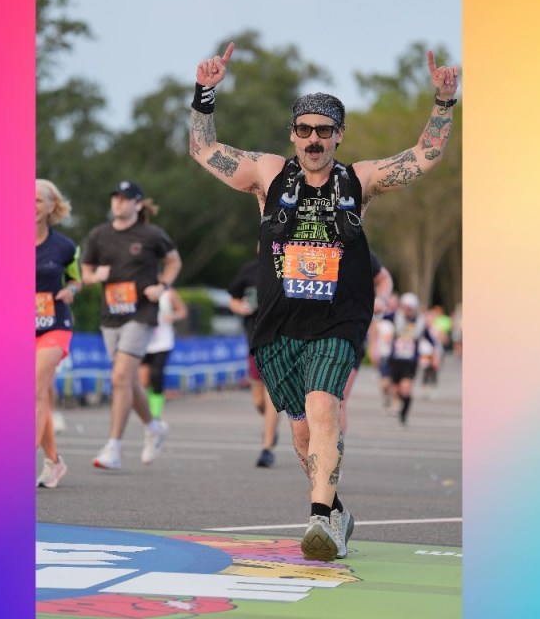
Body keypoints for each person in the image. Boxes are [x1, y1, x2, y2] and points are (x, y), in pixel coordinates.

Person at [188, 42, 458, 561]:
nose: (314, 140)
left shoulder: (359, 179)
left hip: (339, 319)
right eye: (306, 130)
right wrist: (205, 93)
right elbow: (204, 150)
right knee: (301, 433)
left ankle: (318, 522)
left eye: (325, 131)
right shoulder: (267, 174)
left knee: (323, 408)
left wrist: (443, 103)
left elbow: (424, 157)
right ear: (293, 133)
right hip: (277, 324)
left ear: (339, 135)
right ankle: (335, 512)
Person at [80, 181, 182, 470]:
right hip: (111, 315)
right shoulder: (99, 235)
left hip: (141, 314)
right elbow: (85, 271)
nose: (118, 203)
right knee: (127, 380)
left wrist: (162, 286)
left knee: (120, 377)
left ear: (138, 204)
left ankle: (114, 446)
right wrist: (93, 276)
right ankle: (153, 427)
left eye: (125, 199)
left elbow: (174, 262)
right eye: (115, 197)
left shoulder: (152, 235)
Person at [36, 179, 82, 488]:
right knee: (35, 395)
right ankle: (53, 461)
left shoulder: (64, 246)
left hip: (54, 324)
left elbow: (76, 279)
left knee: (35, 390)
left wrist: (71, 290)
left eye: (38, 200)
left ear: (52, 206)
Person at [227, 252, 280, 468]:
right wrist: (239, 307)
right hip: (254, 339)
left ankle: (266, 447)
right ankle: (270, 429)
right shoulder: (249, 269)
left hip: (279, 339)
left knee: (271, 397)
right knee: (259, 400)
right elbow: (233, 298)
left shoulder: (288, 265)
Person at [338, 249, 392, 434]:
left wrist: (381, 299)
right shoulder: (304, 243)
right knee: (309, 406)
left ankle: (330, 459)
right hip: (310, 335)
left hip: (350, 338)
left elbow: (384, 278)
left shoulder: (357, 249)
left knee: (336, 401)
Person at [389, 292, 438, 425]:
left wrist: (435, 356)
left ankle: (403, 415)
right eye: (405, 307)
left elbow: (432, 341)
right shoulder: (396, 317)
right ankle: (397, 405)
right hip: (395, 359)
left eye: (409, 308)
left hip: (410, 361)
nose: (407, 310)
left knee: (406, 388)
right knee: (395, 389)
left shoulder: (420, 322)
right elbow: (381, 316)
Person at [139, 286, 188, 421]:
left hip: (163, 341)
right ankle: (147, 407)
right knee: (143, 379)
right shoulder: (141, 289)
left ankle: (155, 412)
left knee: (156, 374)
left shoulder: (169, 293)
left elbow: (183, 311)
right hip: (145, 341)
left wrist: (174, 316)